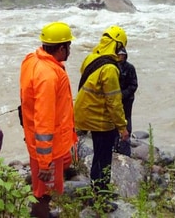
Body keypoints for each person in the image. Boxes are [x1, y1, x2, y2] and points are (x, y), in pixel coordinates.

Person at [19, 22, 78, 218]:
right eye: (69, 46)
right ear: (61, 48)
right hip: (48, 149)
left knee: (41, 188)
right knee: (43, 193)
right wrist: (45, 163)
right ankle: (40, 214)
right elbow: (44, 119)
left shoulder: (31, 60)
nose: (69, 51)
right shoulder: (49, 76)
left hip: (36, 140)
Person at [74, 25, 129, 213]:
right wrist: (122, 127)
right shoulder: (110, 68)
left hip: (84, 112)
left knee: (100, 154)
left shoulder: (92, 57)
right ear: (118, 45)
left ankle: (100, 190)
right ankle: (100, 196)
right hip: (99, 118)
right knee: (103, 157)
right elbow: (114, 101)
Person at [114, 47, 138, 156]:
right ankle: (114, 146)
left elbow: (134, 85)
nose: (121, 57)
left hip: (127, 100)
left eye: (123, 55)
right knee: (114, 122)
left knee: (126, 122)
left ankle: (125, 149)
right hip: (114, 100)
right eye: (119, 55)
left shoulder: (130, 68)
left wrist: (123, 94)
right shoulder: (113, 67)